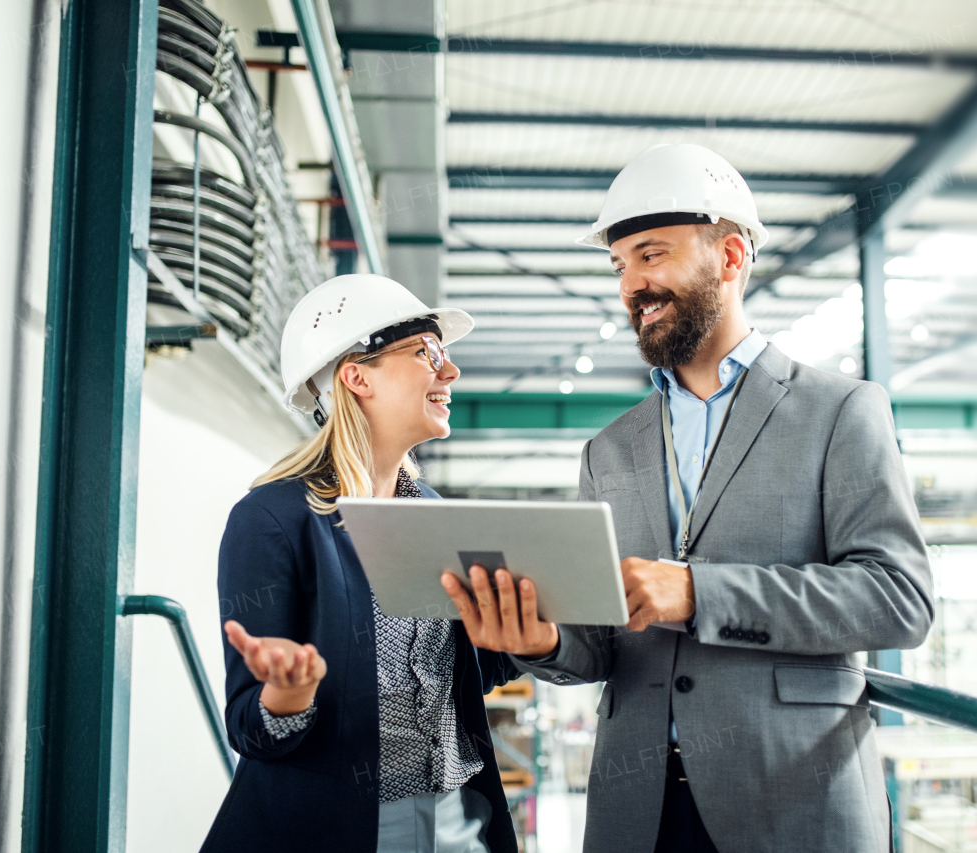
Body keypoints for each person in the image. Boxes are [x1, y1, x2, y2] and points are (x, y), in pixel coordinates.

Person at [442, 144, 934, 853]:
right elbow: (597, 644)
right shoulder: (609, 449)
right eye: (620, 266)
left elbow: (898, 599)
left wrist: (700, 593)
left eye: (651, 255)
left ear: (730, 257)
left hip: (792, 797)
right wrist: (542, 641)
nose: (631, 285)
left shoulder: (841, 412)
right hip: (636, 810)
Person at [201, 274, 521, 853]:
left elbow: (466, 674)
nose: (449, 373)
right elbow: (252, 726)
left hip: (457, 821)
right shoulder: (272, 519)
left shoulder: (431, 512)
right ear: (356, 376)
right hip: (341, 828)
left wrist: (531, 630)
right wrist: (288, 696)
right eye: (427, 353)